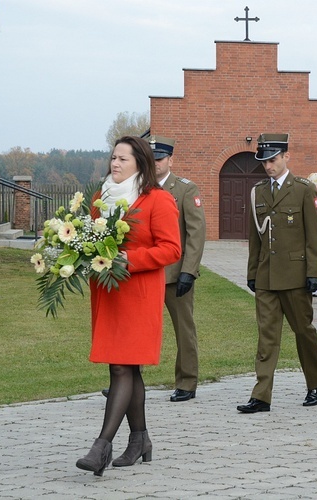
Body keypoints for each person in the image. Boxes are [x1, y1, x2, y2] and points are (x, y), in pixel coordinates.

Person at [76, 136, 181, 476]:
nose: (115, 164)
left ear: (140, 163)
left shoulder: (158, 200)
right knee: (125, 367)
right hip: (108, 293)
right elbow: (90, 238)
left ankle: (101, 446)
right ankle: (140, 441)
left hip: (138, 293)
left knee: (122, 367)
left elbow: (171, 250)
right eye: (113, 158)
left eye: (123, 159)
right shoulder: (100, 198)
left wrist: (129, 259)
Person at [237, 133, 317, 413]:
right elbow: (255, 237)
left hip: (297, 276)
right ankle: (261, 395)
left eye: (273, 160)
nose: (268, 166)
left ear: (286, 157)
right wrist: (253, 271)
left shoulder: (302, 189)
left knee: (303, 332)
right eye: (264, 161)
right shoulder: (259, 192)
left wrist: (315, 271)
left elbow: (315, 235)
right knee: (267, 336)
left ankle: (315, 382)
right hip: (267, 276)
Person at [150, 136, 206, 402]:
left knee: (184, 329)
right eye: (151, 159)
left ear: (170, 160)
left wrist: (189, 270)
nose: (155, 164)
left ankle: (186, 381)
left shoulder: (184, 189)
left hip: (175, 273)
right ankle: (126, 380)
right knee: (136, 328)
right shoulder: (140, 188)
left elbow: (195, 233)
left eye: (160, 159)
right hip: (145, 271)